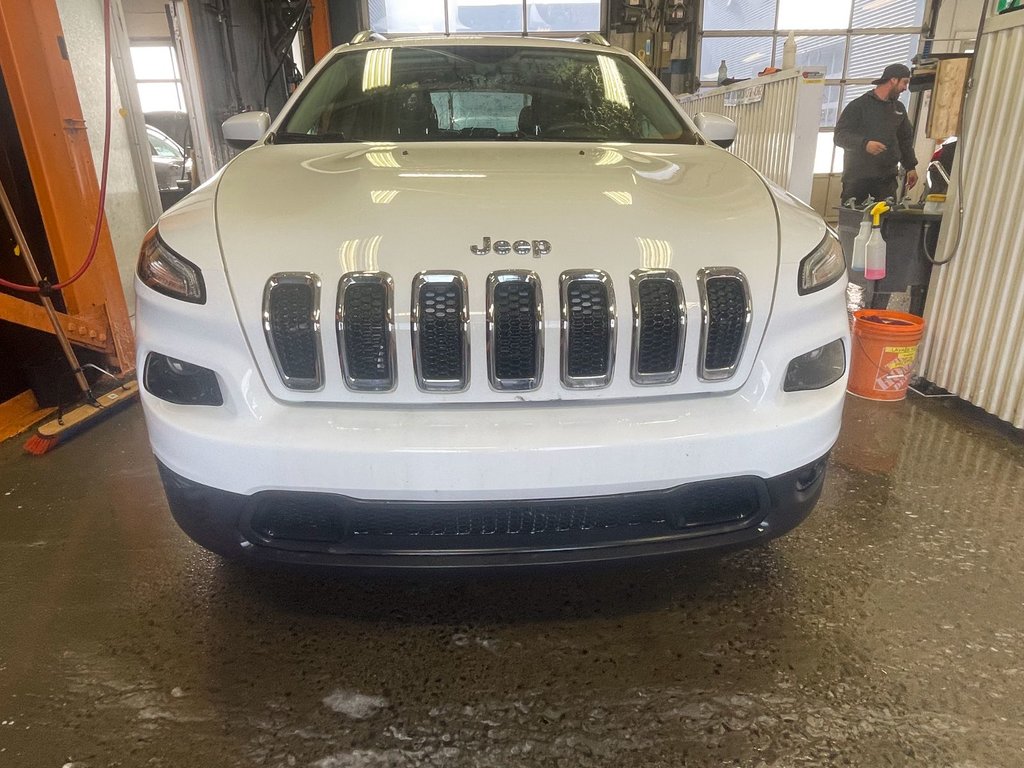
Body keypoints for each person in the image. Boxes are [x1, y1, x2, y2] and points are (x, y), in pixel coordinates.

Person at [834, 63, 919, 205]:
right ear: (893, 79)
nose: (905, 88)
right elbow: (839, 136)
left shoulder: (898, 109)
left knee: (884, 222)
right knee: (853, 224)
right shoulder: (859, 106)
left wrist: (910, 167)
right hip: (857, 178)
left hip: (886, 180)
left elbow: (905, 140)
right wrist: (864, 144)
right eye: (904, 82)